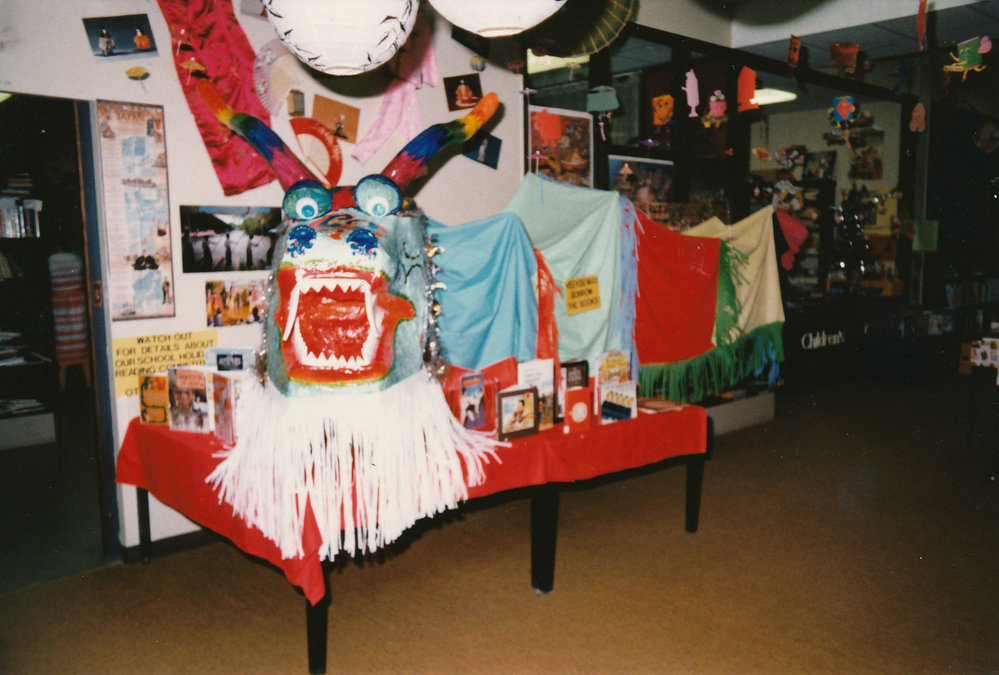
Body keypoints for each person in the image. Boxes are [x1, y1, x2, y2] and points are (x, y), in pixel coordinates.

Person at [48, 240, 91, 392]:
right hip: (76, 301)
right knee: (81, 341)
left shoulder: (51, 260)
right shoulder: (77, 259)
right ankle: (88, 385)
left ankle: (62, 388)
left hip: (59, 302)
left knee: (63, 343)